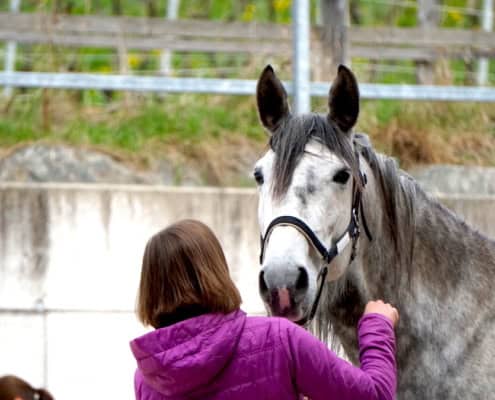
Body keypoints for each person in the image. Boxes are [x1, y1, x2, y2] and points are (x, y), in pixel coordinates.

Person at [130, 219, 399, 400]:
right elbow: (375, 394)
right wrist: (377, 325)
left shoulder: (149, 377)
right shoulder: (278, 339)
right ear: (215, 270)